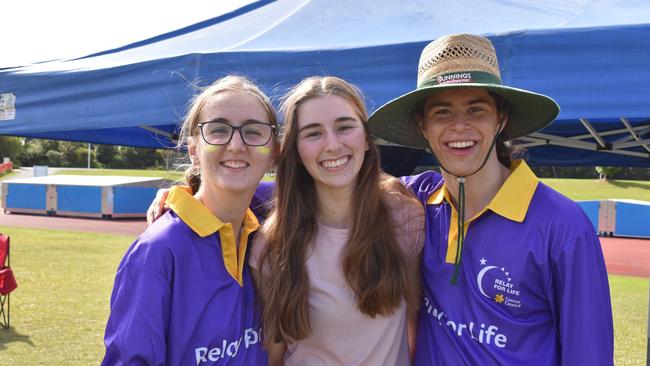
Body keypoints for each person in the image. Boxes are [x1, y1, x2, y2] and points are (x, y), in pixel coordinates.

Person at [368, 34, 614, 364]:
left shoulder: (563, 226)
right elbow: (338, 190)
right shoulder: (416, 200)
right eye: (442, 112)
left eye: (476, 110)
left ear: (501, 119)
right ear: (422, 126)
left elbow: (589, 355)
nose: (459, 126)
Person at [102, 75, 277, 365]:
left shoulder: (266, 227)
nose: (236, 145)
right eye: (218, 130)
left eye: (254, 131)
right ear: (193, 149)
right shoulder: (157, 251)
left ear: (274, 152)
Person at [251, 76, 424, 366]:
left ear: (367, 139)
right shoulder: (272, 244)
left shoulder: (403, 216)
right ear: (296, 151)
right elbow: (274, 352)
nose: (332, 145)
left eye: (345, 127)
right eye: (313, 133)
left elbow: (415, 325)